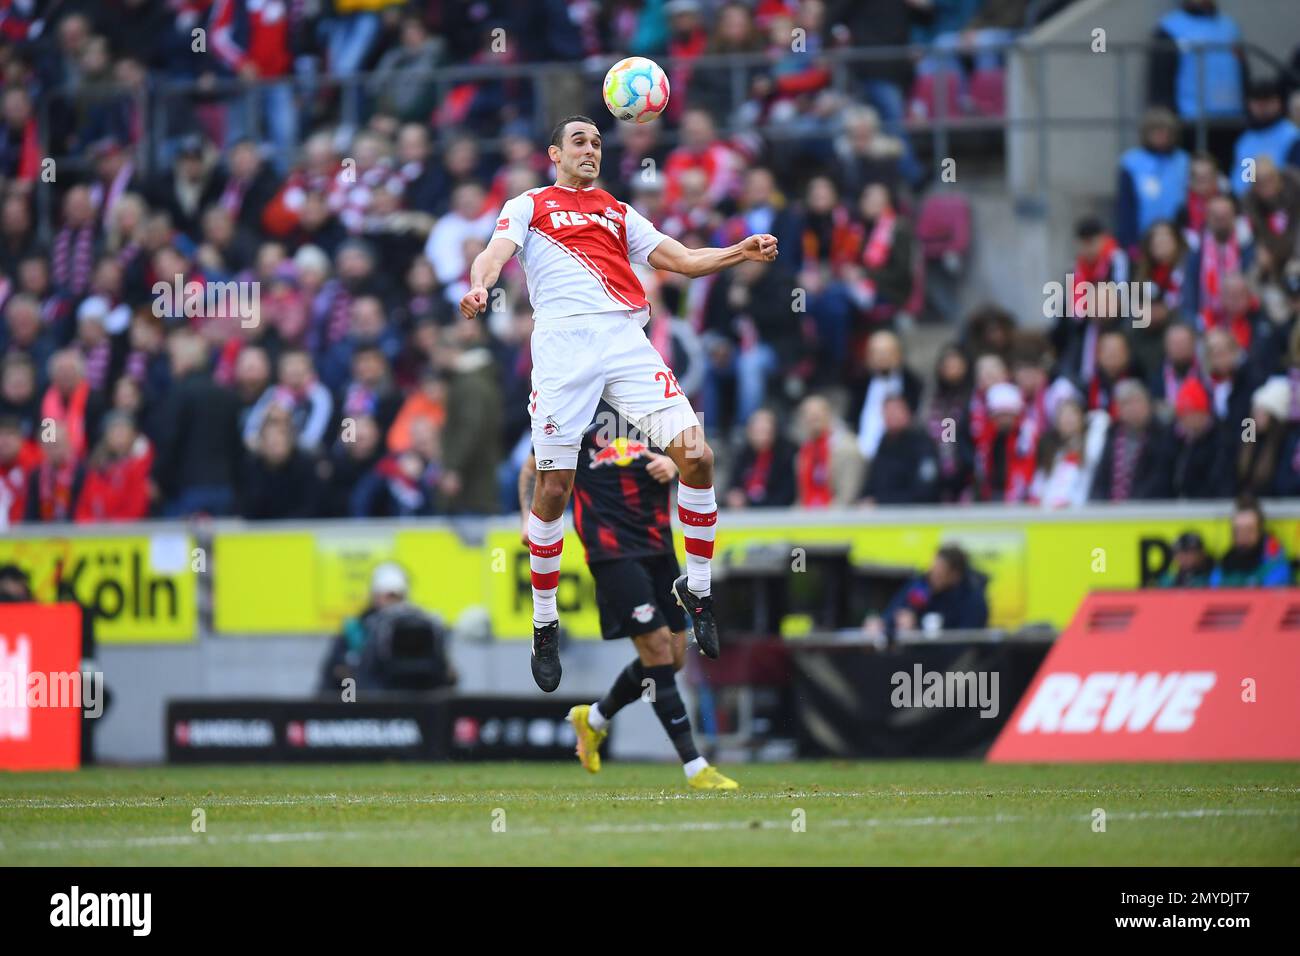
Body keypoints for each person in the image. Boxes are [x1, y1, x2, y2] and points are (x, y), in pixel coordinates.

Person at [461, 115, 779, 692]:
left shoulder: (616, 210)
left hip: (623, 340)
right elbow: (494, 252)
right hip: (562, 348)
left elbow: (680, 259)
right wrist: (481, 283)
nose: (591, 150)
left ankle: (698, 590)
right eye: (580, 141)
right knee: (555, 488)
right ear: (554, 151)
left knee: (698, 457)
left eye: (599, 142)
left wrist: (739, 250)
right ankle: (544, 622)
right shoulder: (529, 203)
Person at [519, 407, 739, 791]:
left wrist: (674, 468)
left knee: (671, 658)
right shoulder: (576, 407)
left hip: (657, 545)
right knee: (655, 649)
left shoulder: (648, 401)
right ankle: (695, 765)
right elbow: (532, 467)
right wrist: (528, 517)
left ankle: (594, 720)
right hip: (610, 551)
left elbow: (695, 456)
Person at [867, 544, 989, 642]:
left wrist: (917, 627)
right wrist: (883, 623)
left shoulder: (972, 599)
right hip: (917, 658)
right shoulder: (923, 586)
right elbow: (899, 608)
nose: (932, 577)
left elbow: (962, 641)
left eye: (939, 574)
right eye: (933, 570)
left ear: (955, 576)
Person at [1209, 498, 1292, 587]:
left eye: (1249, 530)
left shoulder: (1274, 562)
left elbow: (1273, 594)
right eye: (1238, 531)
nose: (1243, 536)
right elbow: (1214, 587)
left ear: (1260, 531)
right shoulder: (1225, 563)